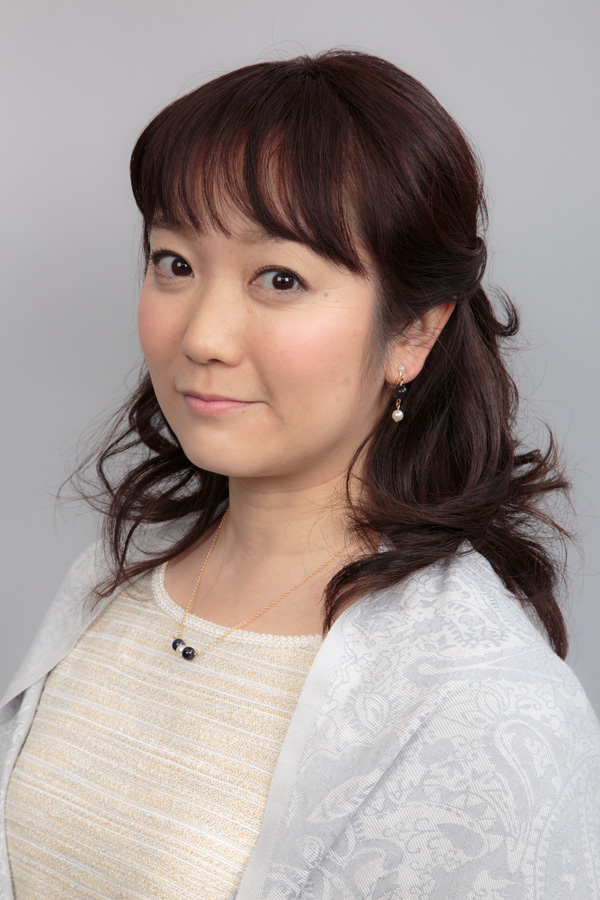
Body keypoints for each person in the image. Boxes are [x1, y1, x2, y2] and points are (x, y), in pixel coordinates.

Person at [1, 49, 599, 900]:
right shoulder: (119, 575)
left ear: (413, 333)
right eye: (174, 262)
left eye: (280, 278)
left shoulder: (487, 705)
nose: (202, 335)